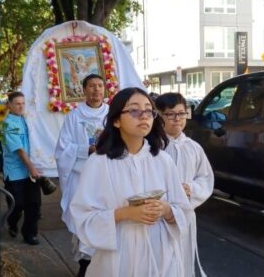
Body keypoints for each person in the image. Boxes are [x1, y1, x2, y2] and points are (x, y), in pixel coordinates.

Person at [70, 87, 194, 277]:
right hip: (119, 256)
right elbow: (82, 216)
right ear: (116, 120)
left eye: (148, 111)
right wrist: (125, 213)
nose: (144, 116)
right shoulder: (99, 163)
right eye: (134, 110)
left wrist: (166, 209)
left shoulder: (162, 160)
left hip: (161, 255)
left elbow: (183, 211)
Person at [55, 74, 109, 275]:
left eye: (100, 86)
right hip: (82, 179)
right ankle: (84, 266)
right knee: (82, 224)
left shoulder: (112, 116)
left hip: (106, 179)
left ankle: (102, 266)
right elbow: (62, 149)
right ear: (84, 90)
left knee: (104, 222)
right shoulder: (74, 116)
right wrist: (86, 150)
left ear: (105, 90)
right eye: (92, 86)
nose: (96, 90)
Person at [155, 92, 214, 277]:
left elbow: (205, 178)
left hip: (184, 215)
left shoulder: (193, 147)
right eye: (170, 114)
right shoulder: (154, 147)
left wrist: (192, 189)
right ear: (159, 116)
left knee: (183, 259)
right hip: (159, 216)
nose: (177, 119)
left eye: (181, 113)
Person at [3, 91, 42, 245]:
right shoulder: (8, 124)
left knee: (34, 205)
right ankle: (12, 223)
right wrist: (31, 167)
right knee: (17, 205)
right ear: (9, 105)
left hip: (31, 171)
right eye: (17, 103)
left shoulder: (27, 120)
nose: (21, 106)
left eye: (23, 103)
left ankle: (30, 234)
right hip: (15, 172)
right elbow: (19, 149)